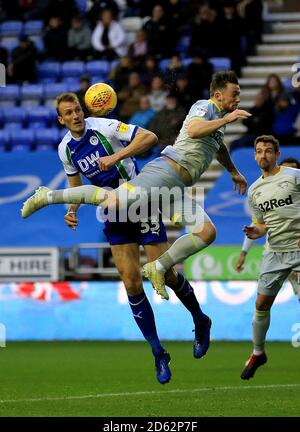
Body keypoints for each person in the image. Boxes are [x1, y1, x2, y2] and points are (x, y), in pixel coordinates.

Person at [22, 70, 250, 329]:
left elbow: (216, 146)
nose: (239, 99)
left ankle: (159, 268)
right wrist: (71, 207)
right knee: (112, 205)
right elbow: (196, 129)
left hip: (173, 186)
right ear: (219, 95)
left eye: (78, 110)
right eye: (236, 94)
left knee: (207, 232)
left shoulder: (216, 121)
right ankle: (47, 196)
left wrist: (233, 171)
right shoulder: (204, 107)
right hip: (164, 172)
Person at [23, 92, 215, 385]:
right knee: (131, 281)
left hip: (140, 198)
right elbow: (75, 181)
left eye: (77, 110)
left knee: (164, 272)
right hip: (112, 211)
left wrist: (116, 156)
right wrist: (72, 209)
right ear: (61, 119)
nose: (76, 116)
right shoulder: (65, 149)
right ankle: (158, 352)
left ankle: (200, 319)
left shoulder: (105, 126)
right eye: (69, 113)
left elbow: (149, 138)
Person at [239, 135, 300, 380]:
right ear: (254, 156)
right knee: (261, 305)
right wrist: (256, 231)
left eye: (268, 151)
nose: (263, 155)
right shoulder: (254, 190)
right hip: (274, 252)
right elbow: (261, 224)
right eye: (259, 151)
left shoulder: (294, 176)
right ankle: (258, 353)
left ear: (276, 154)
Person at [236, 156, 300, 302]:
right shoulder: (263, 193)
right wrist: (243, 254)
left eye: (294, 170)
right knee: (262, 304)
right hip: (277, 252)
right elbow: (257, 226)